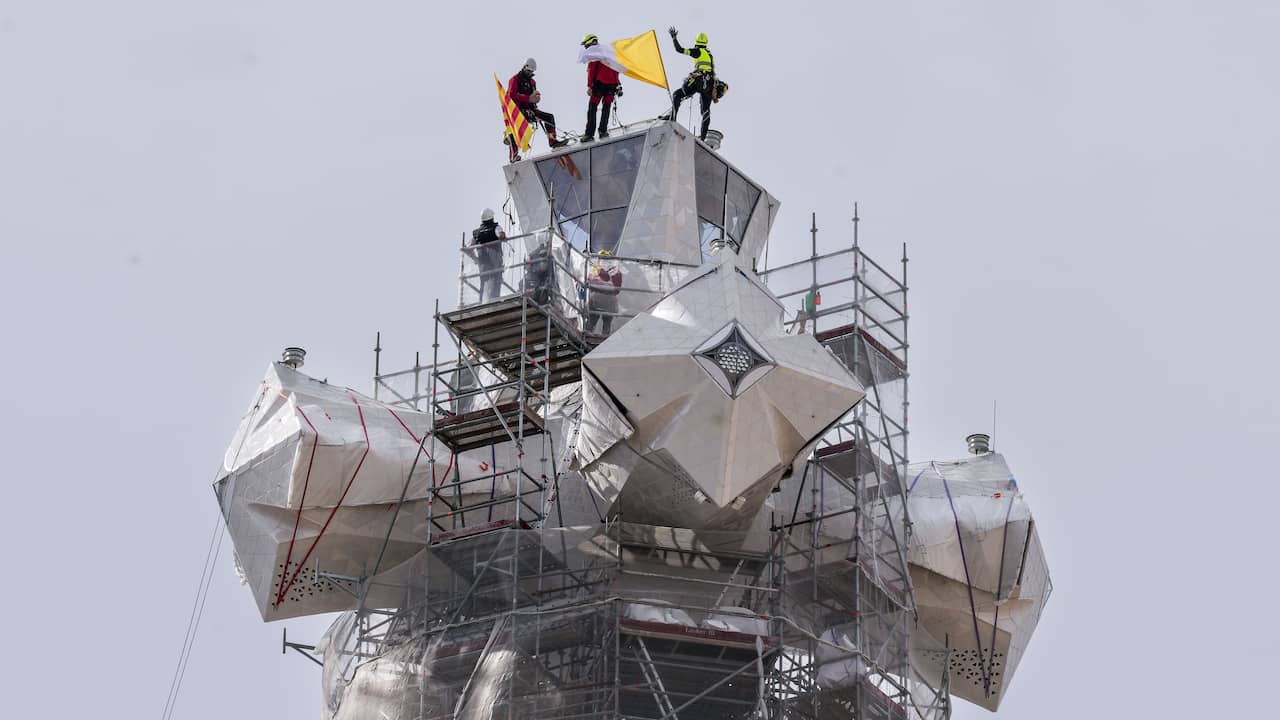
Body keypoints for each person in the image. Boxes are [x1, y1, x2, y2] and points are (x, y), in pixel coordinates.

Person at [662, 28, 716, 140]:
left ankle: (673, 117)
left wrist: (674, 38)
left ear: (697, 42)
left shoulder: (698, 51)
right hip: (710, 84)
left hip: (698, 80)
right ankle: (702, 139)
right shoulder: (709, 54)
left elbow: (679, 49)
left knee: (677, 94)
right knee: (706, 111)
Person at [507, 58, 568, 157]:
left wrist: (535, 102)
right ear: (524, 68)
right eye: (528, 71)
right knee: (514, 130)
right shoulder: (514, 80)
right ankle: (513, 154)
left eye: (531, 71)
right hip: (517, 111)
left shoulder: (532, 82)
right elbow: (511, 96)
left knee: (549, 117)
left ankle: (553, 141)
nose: (529, 73)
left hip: (530, 109)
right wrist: (528, 99)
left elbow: (533, 96)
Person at [580, 34, 623, 142]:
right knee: (606, 108)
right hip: (612, 85)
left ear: (589, 42)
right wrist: (618, 85)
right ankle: (603, 131)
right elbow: (616, 69)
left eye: (586, 45)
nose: (586, 48)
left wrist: (589, 86)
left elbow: (591, 71)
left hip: (599, 85)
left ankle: (589, 134)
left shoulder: (594, 53)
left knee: (592, 108)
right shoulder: (608, 52)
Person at [471, 208, 506, 302]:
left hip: (483, 263)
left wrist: (475, 259)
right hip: (495, 262)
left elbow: (469, 249)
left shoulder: (476, 233)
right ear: (492, 217)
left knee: (483, 284)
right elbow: (501, 236)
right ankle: (494, 303)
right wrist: (503, 236)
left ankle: (481, 304)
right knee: (496, 283)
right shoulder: (496, 227)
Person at [585, 249, 622, 335]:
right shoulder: (615, 272)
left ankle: (590, 336)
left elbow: (591, 283)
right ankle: (602, 340)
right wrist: (607, 288)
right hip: (606, 303)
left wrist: (599, 286)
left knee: (593, 324)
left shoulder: (595, 270)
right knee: (602, 326)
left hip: (599, 302)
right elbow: (616, 290)